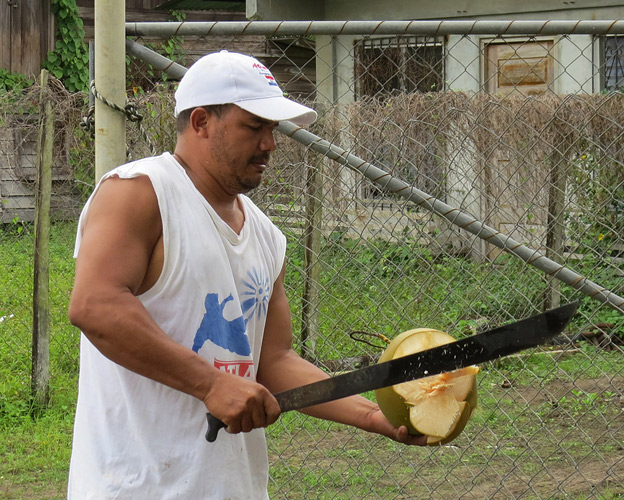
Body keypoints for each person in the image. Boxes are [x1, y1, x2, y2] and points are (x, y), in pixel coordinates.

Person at [67, 50, 426, 499]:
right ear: (201, 122)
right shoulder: (141, 193)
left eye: (272, 130)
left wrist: (374, 416)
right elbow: (95, 305)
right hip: (138, 486)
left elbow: (273, 361)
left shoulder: (266, 236)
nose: (270, 144)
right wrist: (211, 383)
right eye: (254, 127)